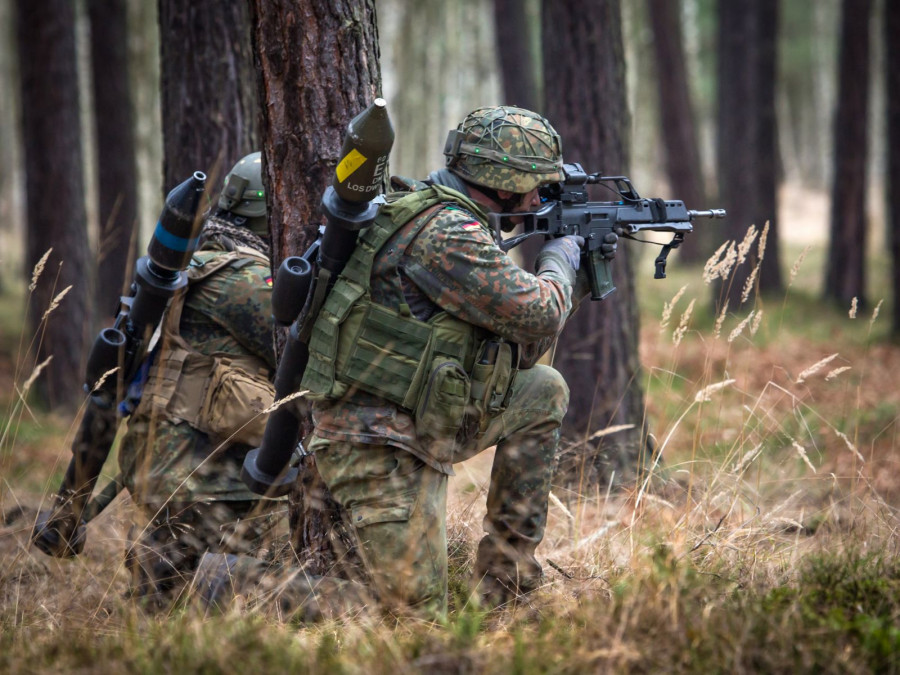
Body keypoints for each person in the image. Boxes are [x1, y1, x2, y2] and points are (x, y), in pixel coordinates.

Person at [199, 106, 617, 619]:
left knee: (542, 389)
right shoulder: (449, 234)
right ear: (503, 183)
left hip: (421, 417)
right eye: (535, 184)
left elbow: (522, 346)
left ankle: (506, 580)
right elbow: (538, 313)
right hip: (377, 442)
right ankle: (238, 582)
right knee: (413, 619)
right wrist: (563, 256)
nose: (538, 198)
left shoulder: (442, 214)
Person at [116, 152, 283, 606]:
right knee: (289, 561)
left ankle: (163, 576)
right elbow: (305, 350)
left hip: (161, 463)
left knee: (161, 593)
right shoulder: (247, 280)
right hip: (209, 478)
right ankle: (217, 584)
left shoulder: (196, 263)